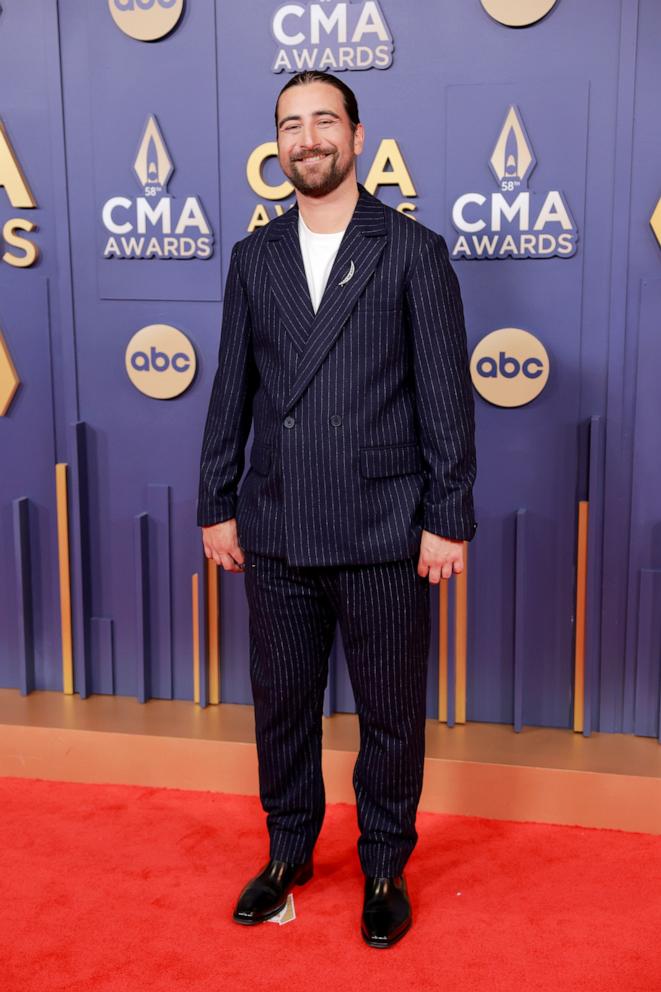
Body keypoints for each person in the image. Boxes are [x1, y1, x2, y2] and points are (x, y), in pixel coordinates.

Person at [197, 69, 478, 948]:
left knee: (391, 711)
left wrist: (449, 514)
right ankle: (287, 853)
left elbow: (444, 400)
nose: (307, 139)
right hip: (275, 522)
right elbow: (229, 393)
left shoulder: (411, 251)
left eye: (324, 121)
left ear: (357, 137)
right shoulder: (254, 258)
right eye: (290, 125)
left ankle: (385, 863)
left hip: (385, 526)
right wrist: (216, 500)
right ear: (275, 147)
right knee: (281, 704)